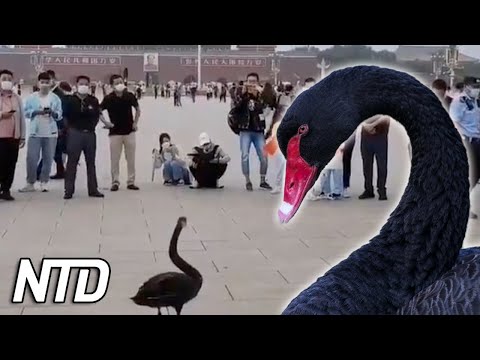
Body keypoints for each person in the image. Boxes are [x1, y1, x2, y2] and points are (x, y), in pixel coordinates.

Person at [62, 75, 113, 200]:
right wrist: (68, 130)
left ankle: (93, 189)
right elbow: (65, 117)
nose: (83, 86)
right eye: (81, 83)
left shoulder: (93, 100)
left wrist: (93, 126)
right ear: (77, 84)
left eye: (86, 84)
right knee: (72, 163)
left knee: (91, 162)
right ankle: (68, 190)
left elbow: (97, 115)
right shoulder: (70, 100)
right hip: (75, 133)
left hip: (90, 134)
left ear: (89, 85)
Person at [20, 72, 62, 193]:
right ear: (38, 83)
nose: (44, 84)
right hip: (35, 133)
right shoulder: (32, 97)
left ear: (50, 83)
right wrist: (36, 112)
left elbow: (59, 114)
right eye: (42, 82)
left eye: (47, 82)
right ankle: (30, 182)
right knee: (32, 158)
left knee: (48, 158)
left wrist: (53, 113)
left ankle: (44, 181)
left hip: (51, 133)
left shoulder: (55, 98)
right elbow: (26, 112)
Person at [229, 72, 271, 191]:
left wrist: (262, 93)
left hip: (258, 130)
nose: (251, 84)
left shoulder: (261, 95)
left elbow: (270, 103)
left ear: (257, 82)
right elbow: (235, 107)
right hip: (245, 129)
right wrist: (242, 95)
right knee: (245, 155)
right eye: (249, 81)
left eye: (254, 81)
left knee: (264, 157)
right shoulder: (241, 94)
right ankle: (247, 180)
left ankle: (263, 180)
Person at [100, 74, 141, 192]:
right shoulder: (108, 98)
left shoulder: (129, 96)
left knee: (131, 158)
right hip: (115, 133)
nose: (119, 84)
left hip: (129, 132)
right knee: (115, 159)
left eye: (121, 82)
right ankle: (115, 182)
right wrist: (106, 122)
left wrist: (135, 122)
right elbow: (99, 110)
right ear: (112, 85)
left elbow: (138, 109)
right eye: (116, 83)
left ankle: (131, 181)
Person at [449, 76, 480, 219]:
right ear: (466, 86)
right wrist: (463, 139)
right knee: (471, 175)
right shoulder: (459, 101)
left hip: (478, 141)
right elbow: (454, 121)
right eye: (474, 86)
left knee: (475, 176)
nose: (476, 89)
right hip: (469, 142)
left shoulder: (477, 101)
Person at [36, 70, 68, 181]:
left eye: (48, 80)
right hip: (47, 125)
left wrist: (61, 127)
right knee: (55, 150)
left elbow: (62, 112)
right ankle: (60, 170)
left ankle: (38, 172)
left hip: (57, 126)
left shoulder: (59, 94)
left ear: (52, 80)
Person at [0, 70, 26, 201]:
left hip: (13, 136)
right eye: (4, 78)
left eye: (9, 79)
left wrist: (22, 135)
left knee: (11, 163)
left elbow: (21, 117)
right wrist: (2, 115)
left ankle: (6, 189)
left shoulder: (17, 98)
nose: (7, 81)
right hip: (1, 137)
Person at [358, 115, 390, 201]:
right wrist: (365, 125)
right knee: (366, 166)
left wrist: (371, 125)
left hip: (380, 136)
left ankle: (382, 190)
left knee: (382, 165)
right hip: (366, 137)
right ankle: (368, 190)